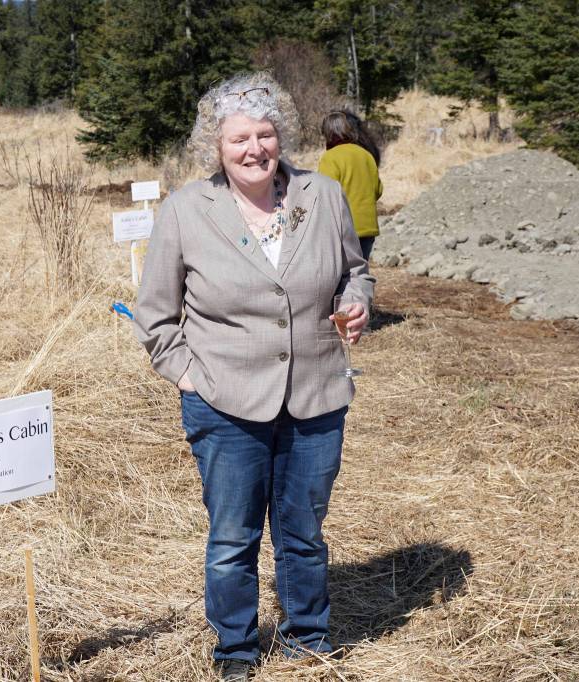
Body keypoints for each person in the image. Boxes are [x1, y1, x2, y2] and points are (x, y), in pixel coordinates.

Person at [133, 72, 374, 681]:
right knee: (233, 537)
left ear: (281, 136)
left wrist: (357, 301)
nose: (255, 149)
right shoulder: (188, 210)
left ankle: (307, 640)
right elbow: (155, 315)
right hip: (224, 403)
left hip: (316, 395)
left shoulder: (320, 196)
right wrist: (188, 375)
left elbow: (354, 269)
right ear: (215, 145)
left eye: (266, 134)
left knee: (303, 530)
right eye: (240, 137)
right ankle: (236, 650)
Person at [318, 110, 384, 261]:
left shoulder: (330, 157)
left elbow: (324, 193)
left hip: (344, 230)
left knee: (343, 279)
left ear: (327, 133)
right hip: (368, 229)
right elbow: (378, 190)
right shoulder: (366, 155)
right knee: (361, 275)